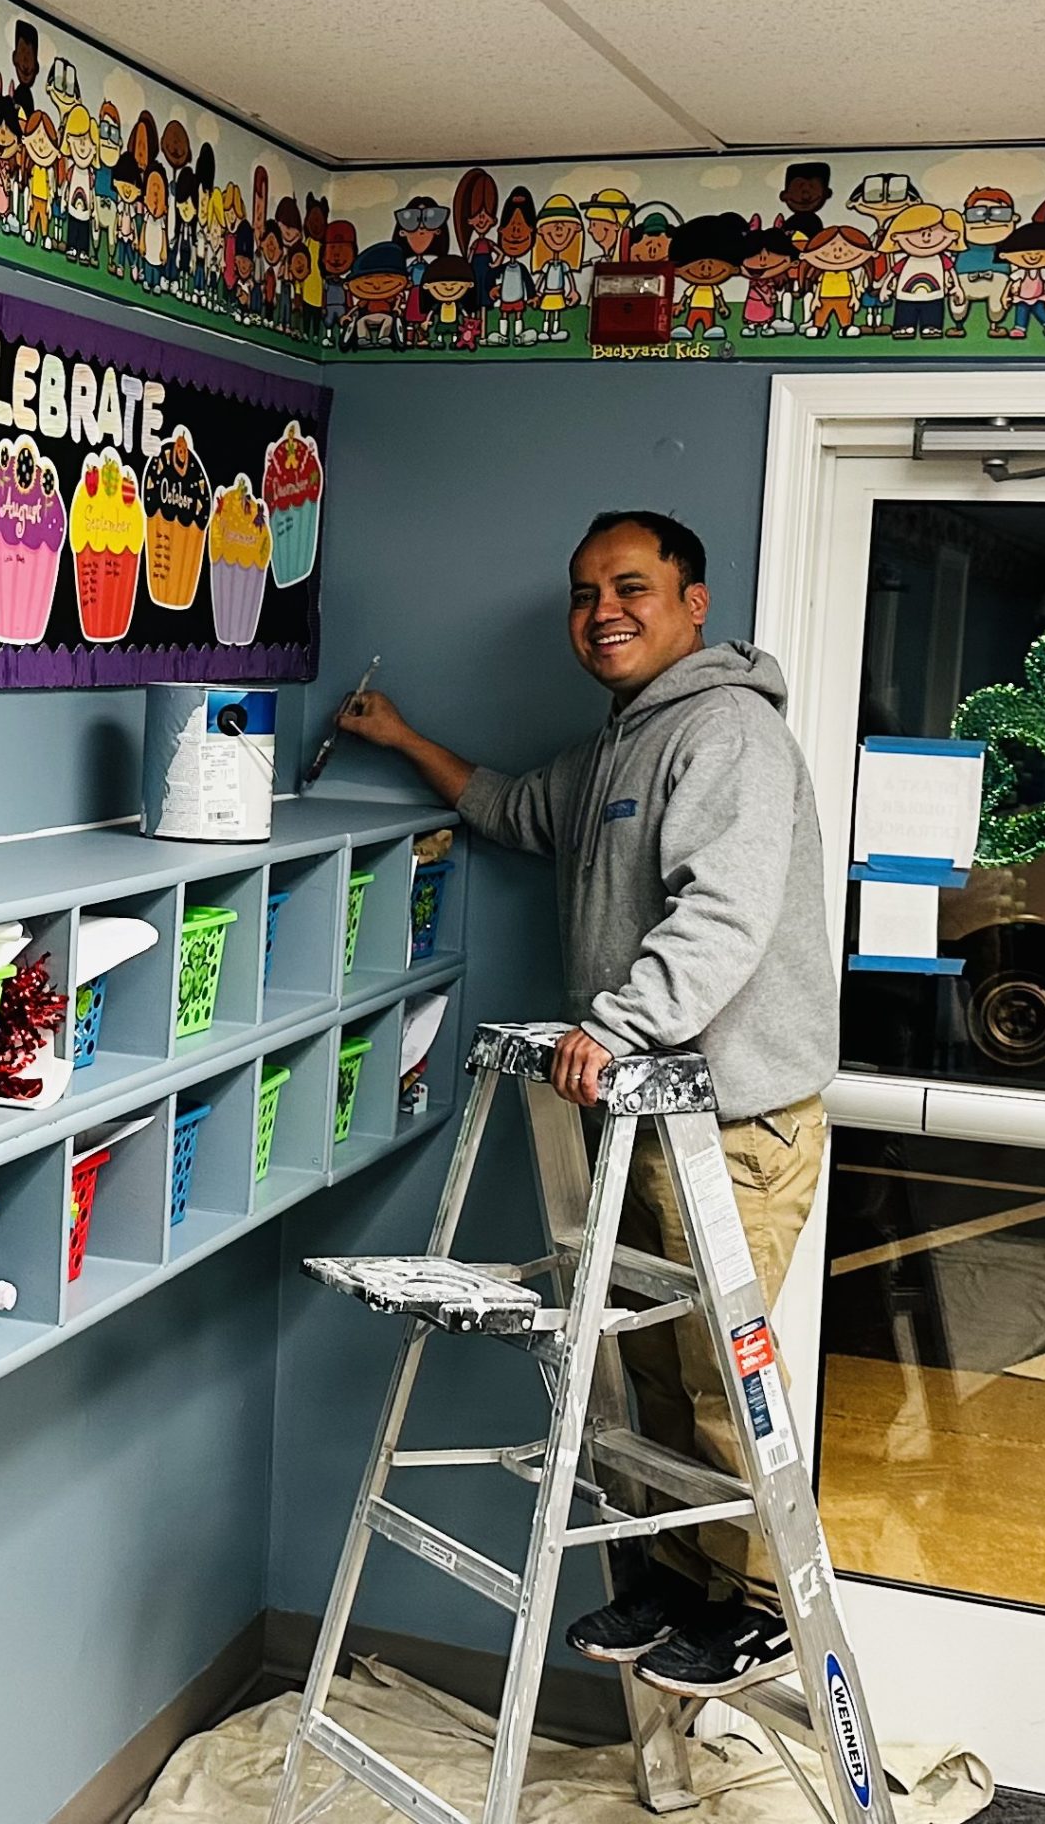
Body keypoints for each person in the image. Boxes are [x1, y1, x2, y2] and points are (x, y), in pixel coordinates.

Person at [341, 511, 836, 1697]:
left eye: (630, 587)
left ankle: (758, 1607)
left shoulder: (725, 734)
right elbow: (515, 808)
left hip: (734, 1126)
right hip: (650, 1117)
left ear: (693, 601)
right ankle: (681, 1584)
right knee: (650, 1380)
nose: (601, 611)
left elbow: (721, 913)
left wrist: (610, 1030)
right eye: (582, 594)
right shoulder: (619, 745)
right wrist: (404, 740)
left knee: (722, 1375)